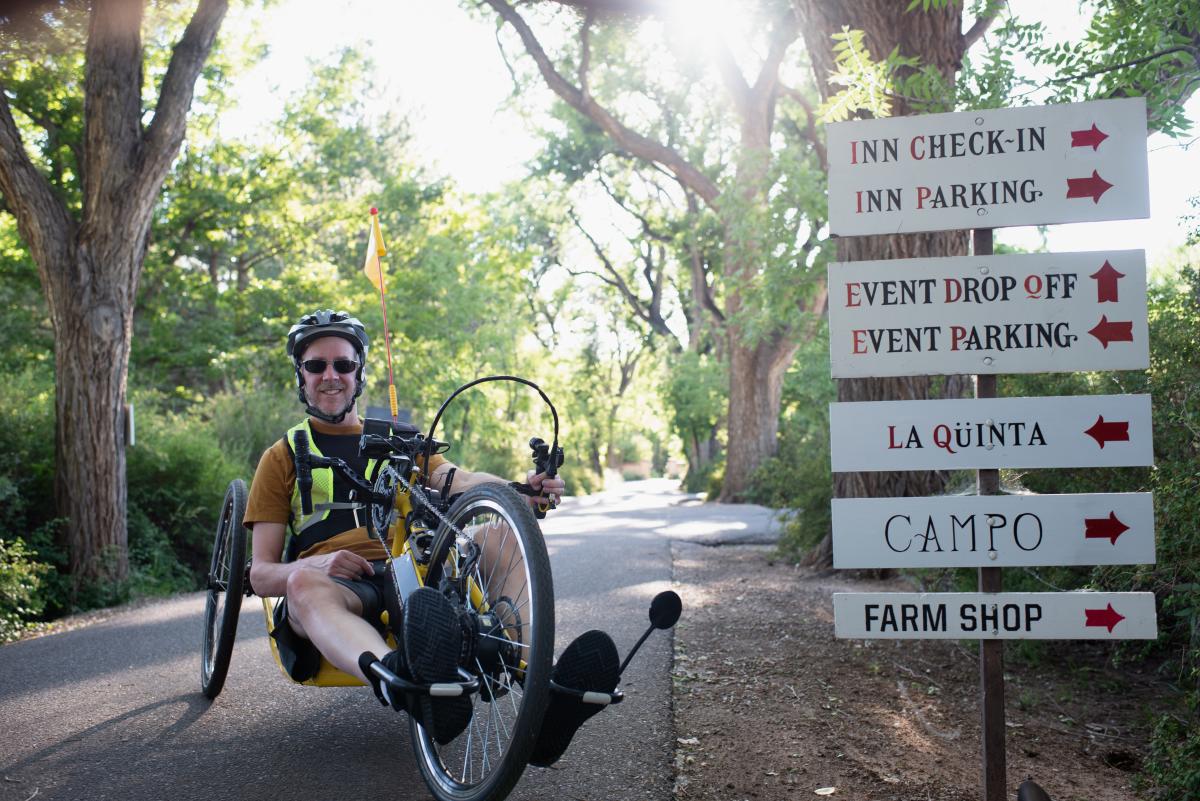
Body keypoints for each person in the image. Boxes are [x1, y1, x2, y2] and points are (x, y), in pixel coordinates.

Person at [243, 309, 565, 743]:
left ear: (359, 373)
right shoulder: (282, 455)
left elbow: (461, 481)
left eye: (344, 364)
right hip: (340, 588)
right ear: (301, 374)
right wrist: (320, 566)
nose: (330, 375)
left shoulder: (401, 440)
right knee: (301, 582)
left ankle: (531, 675)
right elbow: (260, 574)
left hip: (416, 572)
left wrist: (520, 490)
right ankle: (403, 683)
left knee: (499, 535)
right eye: (316, 365)